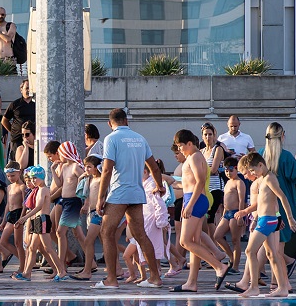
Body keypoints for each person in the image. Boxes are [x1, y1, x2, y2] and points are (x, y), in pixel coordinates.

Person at [94, 108, 165, 289]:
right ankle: (155, 277)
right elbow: (154, 167)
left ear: (110, 124)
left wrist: (101, 197)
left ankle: (111, 279)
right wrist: (160, 186)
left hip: (119, 192)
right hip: (136, 192)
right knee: (141, 234)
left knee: (106, 232)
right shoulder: (140, 138)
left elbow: (107, 169)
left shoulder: (111, 138)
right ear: (126, 121)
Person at [235, 152, 296, 298]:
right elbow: (265, 202)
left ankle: (253, 287)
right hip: (268, 219)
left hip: (268, 220)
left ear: (260, 165)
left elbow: (282, 197)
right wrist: (252, 215)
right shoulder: (263, 179)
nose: (252, 173)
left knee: (250, 251)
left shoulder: (270, 178)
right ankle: (283, 287)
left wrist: (289, 218)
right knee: (272, 254)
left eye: (252, 170)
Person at [174, 129, 231, 293]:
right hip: (193, 198)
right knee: (195, 242)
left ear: (190, 144)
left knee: (185, 242)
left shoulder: (195, 156)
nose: (180, 150)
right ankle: (192, 282)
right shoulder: (193, 156)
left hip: (196, 199)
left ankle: (219, 266)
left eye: (181, 146)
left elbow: (199, 181)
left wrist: (190, 204)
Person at [262, 122, 296, 274]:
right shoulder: (286, 156)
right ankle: (279, 279)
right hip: (283, 205)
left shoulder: (261, 154)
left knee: (269, 246)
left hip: (265, 206)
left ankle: (275, 280)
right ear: (282, 136)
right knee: (276, 247)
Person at [213, 158, 246, 269]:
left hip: (236, 213)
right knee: (217, 236)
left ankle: (235, 266)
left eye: (231, 170)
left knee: (235, 240)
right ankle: (231, 257)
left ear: (237, 169)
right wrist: (223, 212)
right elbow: (225, 200)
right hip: (226, 213)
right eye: (226, 170)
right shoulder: (227, 183)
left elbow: (242, 200)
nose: (228, 172)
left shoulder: (239, 182)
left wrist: (241, 215)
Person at [2, 79, 35, 161]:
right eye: (26, 88)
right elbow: (4, 120)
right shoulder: (15, 104)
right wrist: (13, 131)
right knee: (16, 163)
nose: (28, 90)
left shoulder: (36, 104)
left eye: (30, 88)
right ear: (21, 89)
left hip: (31, 140)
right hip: (17, 139)